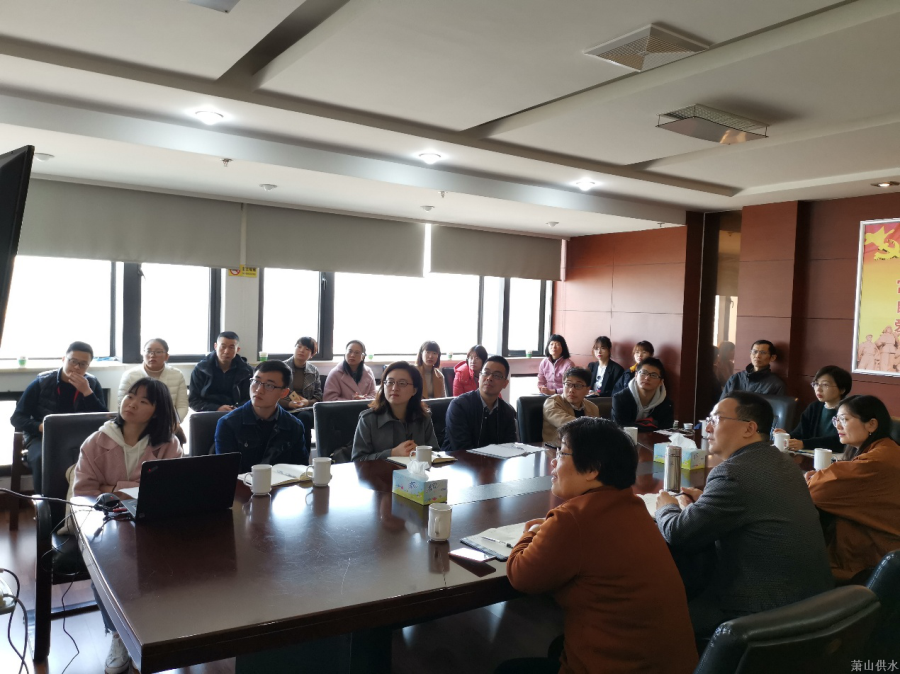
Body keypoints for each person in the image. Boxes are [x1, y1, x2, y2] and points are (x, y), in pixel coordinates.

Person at [499, 418, 698, 674]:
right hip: (671, 664)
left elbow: (520, 575)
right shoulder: (633, 505)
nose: (553, 461)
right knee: (558, 647)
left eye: (561, 453)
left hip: (625, 666)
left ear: (592, 468)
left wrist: (531, 533)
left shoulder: (574, 518)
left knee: (508, 670)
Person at [655, 392, 833, 639]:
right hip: (811, 603)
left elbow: (678, 533)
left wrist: (666, 507)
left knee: (656, 617)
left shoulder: (733, 473)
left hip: (760, 612)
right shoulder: (783, 462)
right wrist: (705, 502)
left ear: (749, 428)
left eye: (716, 419)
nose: (707, 427)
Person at [72, 377, 181, 674]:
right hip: (103, 520)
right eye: (130, 396)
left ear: (157, 411)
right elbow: (84, 493)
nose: (132, 404)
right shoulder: (96, 441)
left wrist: (112, 487)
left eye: (144, 401)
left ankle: (150, 630)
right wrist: (130, 489)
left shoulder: (168, 444)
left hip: (150, 520)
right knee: (106, 568)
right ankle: (119, 634)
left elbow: (168, 490)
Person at [806, 395, 900, 583]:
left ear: (871, 424)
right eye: (836, 419)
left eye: (844, 419)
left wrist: (814, 478)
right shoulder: (886, 449)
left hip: (872, 558)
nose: (838, 426)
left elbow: (816, 492)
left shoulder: (876, 461)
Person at [11, 341, 107, 493]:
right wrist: (40, 427)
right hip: (41, 437)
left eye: (83, 364)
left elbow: (104, 420)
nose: (77, 367)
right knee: (43, 459)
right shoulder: (42, 382)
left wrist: (87, 393)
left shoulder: (92, 384)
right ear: (63, 359)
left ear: (88, 366)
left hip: (78, 439)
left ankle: (82, 501)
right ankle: (46, 503)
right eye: (73, 361)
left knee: (97, 458)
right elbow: (17, 418)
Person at [215, 360, 308, 473]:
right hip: (242, 484)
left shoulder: (294, 426)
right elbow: (226, 474)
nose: (259, 390)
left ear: (283, 392)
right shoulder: (228, 424)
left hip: (281, 484)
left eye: (269, 385)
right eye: (256, 381)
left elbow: (301, 471)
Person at [351, 361, 440, 461]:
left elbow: (436, 454)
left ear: (414, 390)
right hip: (381, 472)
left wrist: (421, 452)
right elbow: (358, 460)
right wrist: (392, 453)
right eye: (390, 382)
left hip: (416, 471)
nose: (394, 388)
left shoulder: (423, 417)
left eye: (402, 383)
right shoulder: (368, 420)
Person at [442, 356, 517, 452]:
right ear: (479, 377)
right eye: (486, 373)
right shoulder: (459, 406)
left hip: (495, 461)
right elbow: (462, 449)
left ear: (505, 384)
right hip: (457, 460)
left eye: (497, 375)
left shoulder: (508, 411)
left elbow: (510, 447)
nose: (489, 378)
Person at [773, 365, 850, 452]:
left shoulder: (849, 410)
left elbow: (840, 441)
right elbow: (801, 432)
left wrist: (805, 444)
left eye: (825, 385)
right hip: (812, 455)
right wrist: (787, 436)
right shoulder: (814, 407)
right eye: (816, 384)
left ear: (842, 389)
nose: (818, 389)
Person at [117, 338, 188, 423]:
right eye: (148, 351)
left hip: (167, 422)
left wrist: (174, 423)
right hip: (137, 423)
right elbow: (122, 405)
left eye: (158, 352)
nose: (152, 355)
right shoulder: (130, 375)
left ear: (166, 356)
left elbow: (182, 406)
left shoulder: (177, 374)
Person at [189, 331, 253, 412]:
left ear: (237, 349)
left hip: (237, 412)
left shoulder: (246, 371)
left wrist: (236, 409)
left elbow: (251, 399)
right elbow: (193, 401)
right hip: (208, 413)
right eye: (223, 347)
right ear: (215, 346)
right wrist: (217, 408)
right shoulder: (201, 369)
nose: (226, 351)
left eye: (231, 347)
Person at [611, 357, 674, 431]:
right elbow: (620, 428)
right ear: (636, 375)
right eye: (643, 373)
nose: (647, 378)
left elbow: (666, 431)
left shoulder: (667, 404)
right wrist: (651, 426)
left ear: (661, 382)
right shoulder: (620, 399)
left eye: (653, 375)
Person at [542, 367, 600, 443]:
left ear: (587, 390)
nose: (571, 390)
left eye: (578, 385)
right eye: (568, 384)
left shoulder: (593, 407)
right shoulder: (552, 402)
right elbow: (568, 425)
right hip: (556, 448)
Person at [720, 339, 786, 399]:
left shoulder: (776, 385)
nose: (757, 356)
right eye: (755, 352)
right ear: (750, 354)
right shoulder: (736, 378)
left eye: (763, 353)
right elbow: (721, 404)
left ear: (772, 358)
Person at [280, 336, 323, 410]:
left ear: (312, 355)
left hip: (305, 408)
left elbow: (319, 396)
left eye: (307, 349)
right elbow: (272, 394)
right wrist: (289, 404)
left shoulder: (314, 371)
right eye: (299, 347)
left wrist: (307, 402)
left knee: (304, 415)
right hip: (284, 407)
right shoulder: (281, 367)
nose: (302, 350)